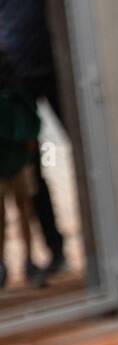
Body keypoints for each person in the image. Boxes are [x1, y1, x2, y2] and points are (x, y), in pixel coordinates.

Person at [0, 0, 66, 277]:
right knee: (29, 176)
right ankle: (48, 252)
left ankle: (51, 252)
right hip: (16, 83)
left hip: (52, 66)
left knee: (89, 155)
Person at [0, 49, 46, 291]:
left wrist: (29, 144)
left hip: (17, 158)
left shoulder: (12, 79)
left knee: (25, 210)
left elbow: (29, 115)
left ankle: (29, 261)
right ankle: (3, 266)